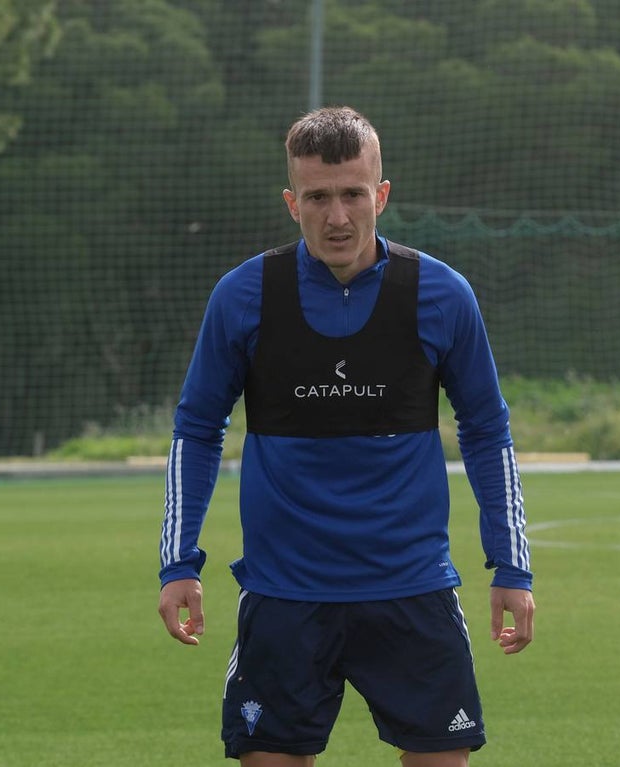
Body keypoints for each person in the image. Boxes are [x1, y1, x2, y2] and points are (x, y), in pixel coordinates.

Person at [157, 106, 535, 767]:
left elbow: (487, 429)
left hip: (412, 589)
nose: (337, 217)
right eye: (318, 197)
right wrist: (178, 560)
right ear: (291, 202)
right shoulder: (243, 295)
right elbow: (196, 428)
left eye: (353, 194)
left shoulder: (441, 294)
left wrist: (511, 564)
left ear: (381, 195)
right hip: (285, 595)